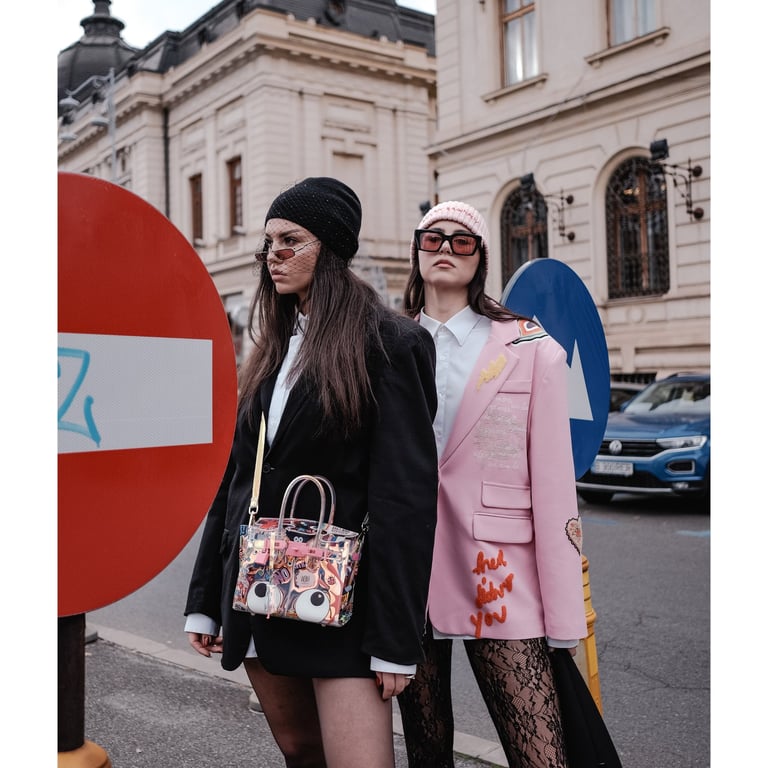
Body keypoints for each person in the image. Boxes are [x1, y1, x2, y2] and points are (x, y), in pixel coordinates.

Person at [184, 177, 439, 768]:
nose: (273, 256)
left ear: (331, 247)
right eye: (268, 243)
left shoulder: (391, 343)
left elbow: (405, 500)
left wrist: (395, 640)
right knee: (301, 752)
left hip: (343, 601)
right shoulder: (273, 346)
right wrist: (206, 598)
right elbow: (238, 479)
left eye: (290, 241)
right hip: (260, 587)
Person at [396, 200, 588, 768]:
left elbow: (554, 487)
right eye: (433, 238)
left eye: (462, 241)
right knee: (426, 751)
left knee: (540, 752)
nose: (446, 249)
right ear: (416, 250)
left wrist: (564, 616)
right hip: (406, 570)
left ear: (480, 257)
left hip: (498, 570)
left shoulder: (531, 348)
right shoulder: (386, 343)